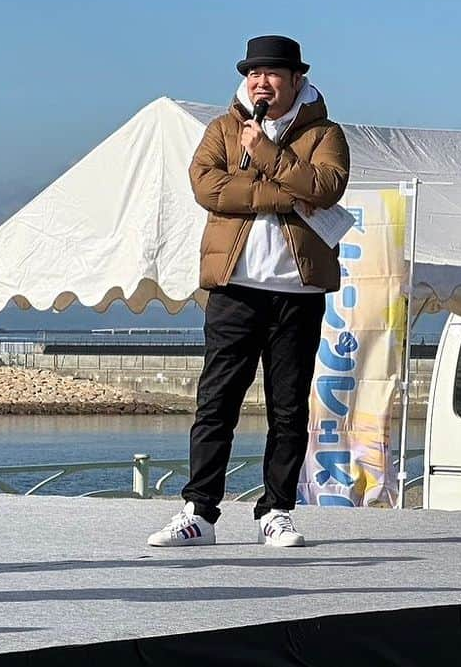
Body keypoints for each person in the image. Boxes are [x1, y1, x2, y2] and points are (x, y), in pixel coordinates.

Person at [147, 35, 349, 549]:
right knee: (216, 403)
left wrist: (266, 154)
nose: (262, 82)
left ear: (296, 80)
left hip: (296, 292)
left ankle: (276, 510)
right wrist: (281, 192)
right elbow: (206, 186)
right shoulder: (222, 128)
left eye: (274, 73)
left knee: (288, 408)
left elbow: (326, 187)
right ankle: (199, 512)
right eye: (254, 72)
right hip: (234, 289)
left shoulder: (326, 133)